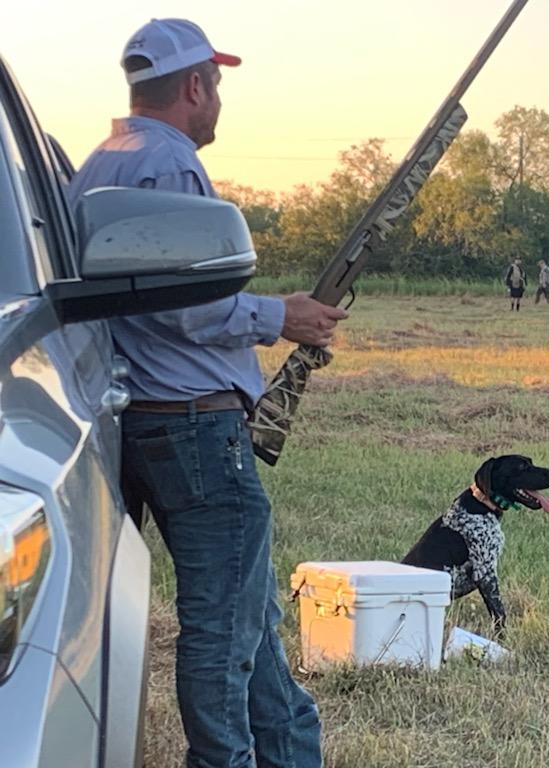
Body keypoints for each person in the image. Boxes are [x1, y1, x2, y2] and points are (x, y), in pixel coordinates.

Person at [68, 19, 345, 768]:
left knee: (247, 617)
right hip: (194, 429)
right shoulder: (171, 162)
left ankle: (290, 752)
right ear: (195, 86)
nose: (218, 98)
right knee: (223, 628)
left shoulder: (100, 162)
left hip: (140, 423)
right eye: (216, 83)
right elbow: (185, 302)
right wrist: (278, 315)